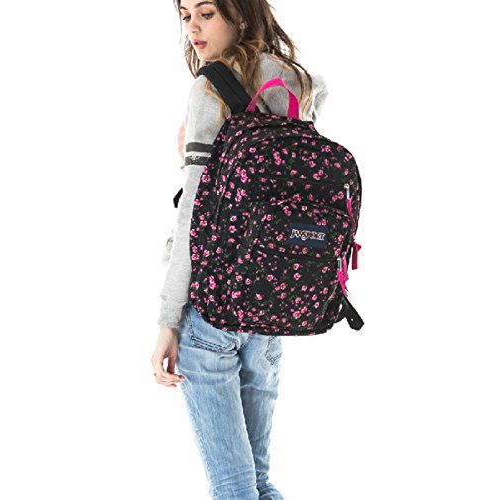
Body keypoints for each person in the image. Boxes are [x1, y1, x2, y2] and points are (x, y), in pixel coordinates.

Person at [151, 1, 328, 498]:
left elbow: (194, 217)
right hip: (273, 308)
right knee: (258, 483)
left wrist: (168, 319)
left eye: (206, 13)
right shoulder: (296, 83)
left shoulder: (210, 88)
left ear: (242, 14)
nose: (192, 28)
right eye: (185, 15)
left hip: (213, 311)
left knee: (233, 487)